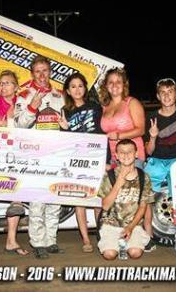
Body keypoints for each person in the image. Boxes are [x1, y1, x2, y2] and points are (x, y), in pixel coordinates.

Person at [14, 55, 65, 259]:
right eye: (38, 71)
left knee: (55, 201)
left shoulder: (60, 95)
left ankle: (51, 240)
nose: (42, 75)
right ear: (32, 73)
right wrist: (32, 107)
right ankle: (38, 243)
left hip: (57, 156)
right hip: (35, 157)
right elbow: (19, 125)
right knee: (37, 203)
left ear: (50, 72)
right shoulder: (25, 95)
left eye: (45, 70)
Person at [143, 78, 176, 251]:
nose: (167, 96)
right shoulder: (152, 117)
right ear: (158, 96)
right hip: (156, 161)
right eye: (163, 93)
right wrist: (152, 136)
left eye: (170, 92)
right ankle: (148, 234)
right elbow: (148, 151)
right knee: (146, 196)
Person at [0, 70, 29, 256]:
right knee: (16, 197)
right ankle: (11, 240)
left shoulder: (25, 105)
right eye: (1, 83)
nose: (3, 86)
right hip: (5, 159)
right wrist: (0, 131)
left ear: (16, 87)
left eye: (8, 83)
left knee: (21, 199)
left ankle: (16, 240)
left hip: (26, 156)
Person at [57, 72, 103, 253]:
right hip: (76, 160)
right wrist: (64, 128)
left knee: (97, 200)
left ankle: (100, 234)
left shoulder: (95, 107)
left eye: (80, 86)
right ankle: (85, 239)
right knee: (80, 200)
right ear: (68, 90)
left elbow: (102, 132)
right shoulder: (65, 111)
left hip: (96, 157)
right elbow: (65, 142)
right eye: (73, 86)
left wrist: (105, 159)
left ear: (85, 88)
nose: (77, 89)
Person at [98, 139, 154, 260]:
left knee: (135, 253)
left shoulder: (144, 177)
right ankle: (117, 244)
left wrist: (130, 227)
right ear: (116, 156)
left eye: (129, 151)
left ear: (136, 154)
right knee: (109, 255)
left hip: (133, 225)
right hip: (111, 224)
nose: (126, 155)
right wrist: (119, 181)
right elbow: (105, 206)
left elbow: (143, 207)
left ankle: (128, 242)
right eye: (122, 152)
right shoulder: (109, 176)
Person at [99, 68, 146, 168]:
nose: (114, 85)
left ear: (124, 85)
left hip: (133, 157)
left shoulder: (132, 103)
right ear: (106, 86)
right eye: (111, 82)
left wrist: (118, 135)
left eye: (118, 82)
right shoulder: (103, 107)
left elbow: (141, 130)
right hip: (114, 158)